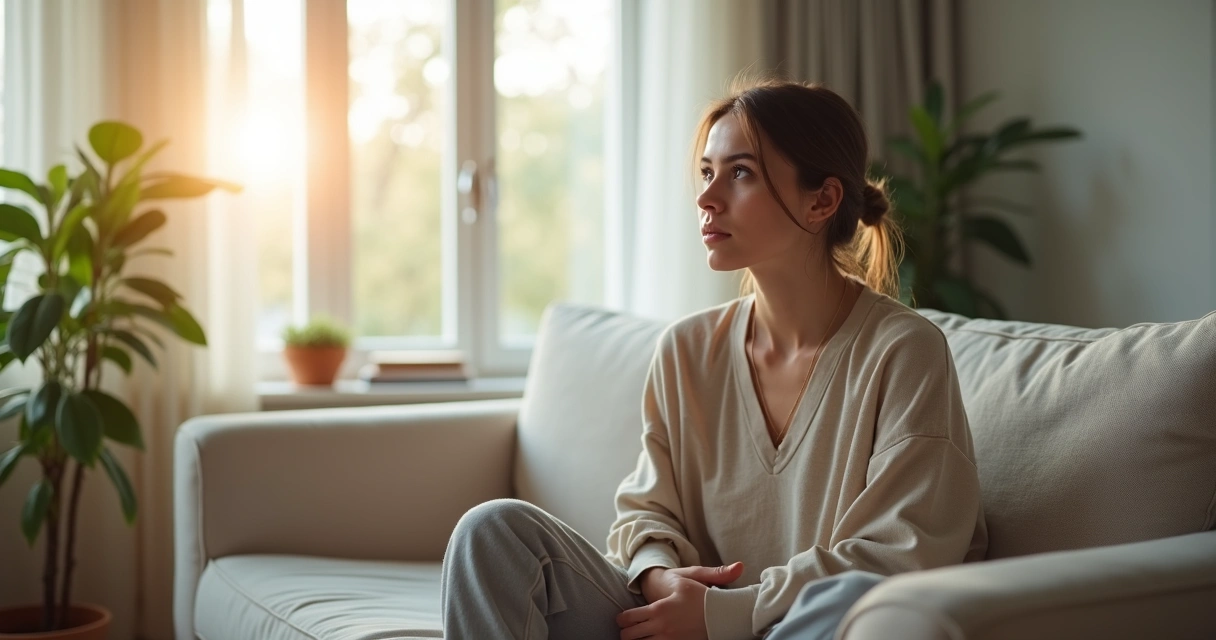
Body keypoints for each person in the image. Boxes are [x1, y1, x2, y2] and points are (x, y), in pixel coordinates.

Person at [440, 77, 988, 640]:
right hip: (676, 623)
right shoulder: (686, 350)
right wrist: (659, 576)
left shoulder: (904, 351)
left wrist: (723, 615)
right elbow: (646, 511)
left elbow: (903, 553)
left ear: (822, 200)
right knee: (492, 531)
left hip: (801, 627)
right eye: (707, 172)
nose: (707, 197)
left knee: (851, 601)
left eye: (740, 173)